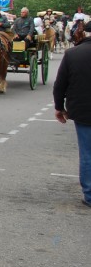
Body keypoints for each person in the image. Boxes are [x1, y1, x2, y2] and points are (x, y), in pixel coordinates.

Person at [53, 30, 91, 208]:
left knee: (87, 154)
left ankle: (90, 194)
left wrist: (59, 107)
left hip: (84, 111)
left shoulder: (72, 54)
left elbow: (60, 84)